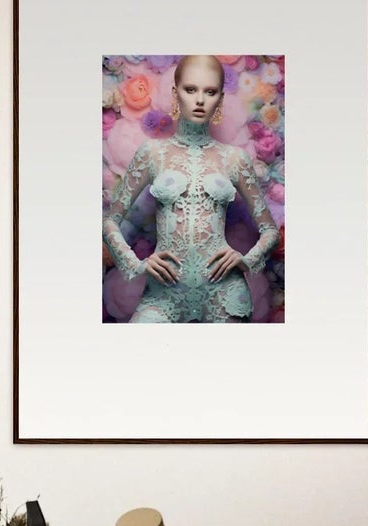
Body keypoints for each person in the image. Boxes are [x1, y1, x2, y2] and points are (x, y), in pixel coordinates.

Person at [103, 55, 279, 324]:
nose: (199, 100)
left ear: (220, 98)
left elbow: (269, 231)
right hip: (163, 294)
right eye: (190, 89)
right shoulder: (152, 153)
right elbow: (110, 222)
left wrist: (246, 259)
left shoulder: (234, 159)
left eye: (209, 92)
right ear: (176, 93)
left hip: (224, 292)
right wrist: (136, 263)